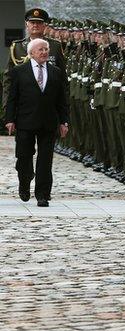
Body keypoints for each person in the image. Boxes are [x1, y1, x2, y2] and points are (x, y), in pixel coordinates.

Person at [4, 38, 69, 207]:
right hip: (25, 121)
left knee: (45, 159)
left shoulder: (55, 72)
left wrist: (64, 122)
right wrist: (9, 119)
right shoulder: (19, 71)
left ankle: (43, 194)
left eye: (46, 49)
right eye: (40, 49)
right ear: (31, 53)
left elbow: (62, 100)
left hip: (48, 122)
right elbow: (12, 98)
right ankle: (24, 183)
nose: (44, 52)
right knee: (24, 157)